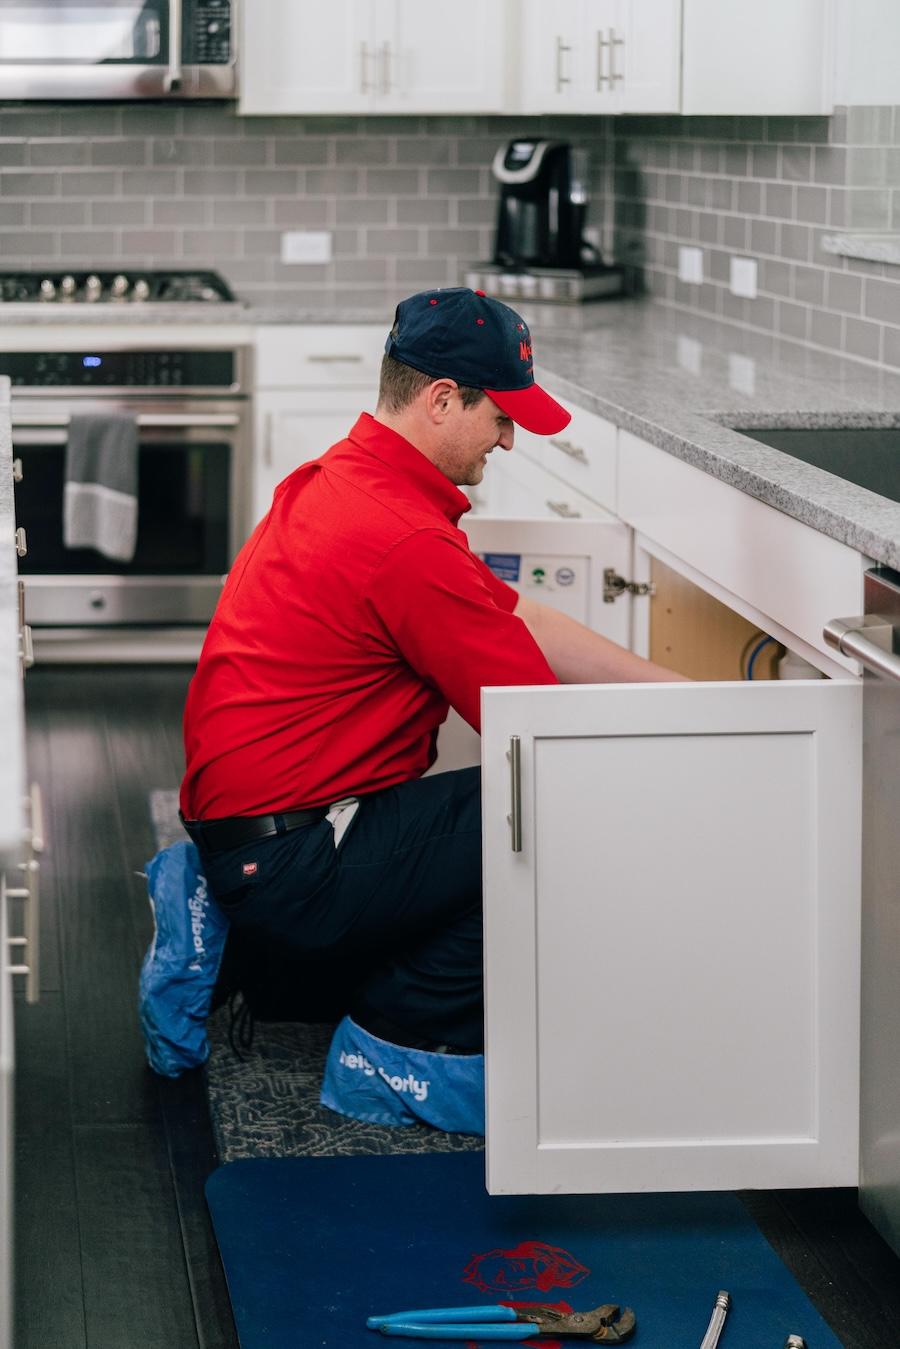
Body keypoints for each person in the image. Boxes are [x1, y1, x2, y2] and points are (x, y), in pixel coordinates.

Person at [179, 287, 680, 1107]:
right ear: (443, 399)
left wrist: (687, 700)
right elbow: (534, 731)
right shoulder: (405, 539)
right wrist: (652, 776)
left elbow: (519, 614)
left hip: (249, 826)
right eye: (501, 417)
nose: (510, 439)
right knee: (564, 803)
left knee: (497, 817)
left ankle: (235, 943)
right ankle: (402, 1039)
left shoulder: (345, 477)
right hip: (293, 858)